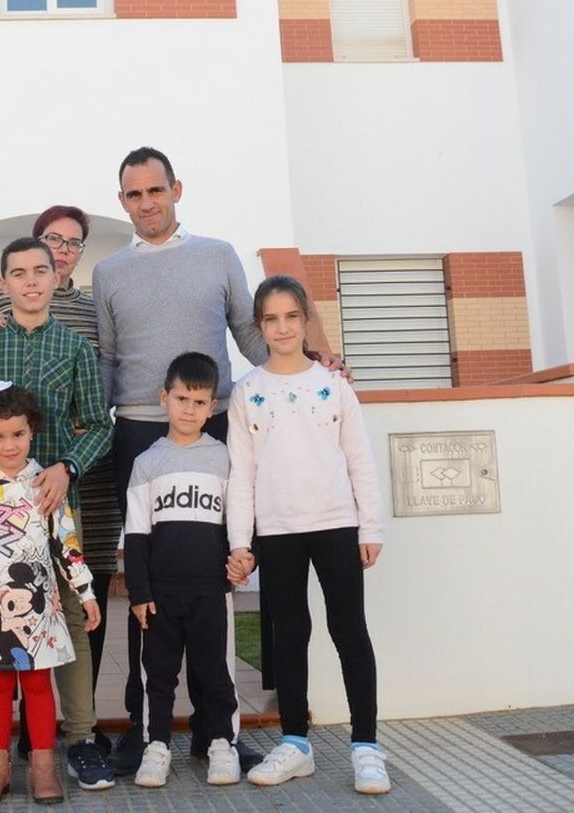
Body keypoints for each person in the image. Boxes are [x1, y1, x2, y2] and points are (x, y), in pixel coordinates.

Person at [92, 146, 342, 772]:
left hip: (218, 435)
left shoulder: (218, 255)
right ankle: (144, 730)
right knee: (143, 579)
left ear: (176, 189)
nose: (146, 203)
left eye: (155, 190)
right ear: (122, 201)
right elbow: (108, 360)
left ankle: (216, 731)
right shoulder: (110, 271)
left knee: (216, 582)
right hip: (137, 438)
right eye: (133, 195)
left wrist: (314, 363)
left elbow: (253, 337)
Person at [0, 237, 115, 791]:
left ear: (57, 277)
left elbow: (100, 424)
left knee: (67, 618)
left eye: (42, 270)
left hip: (53, 505)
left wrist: (67, 466)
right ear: (4, 284)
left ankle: (81, 738)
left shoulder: (74, 347)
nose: (32, 281)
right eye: (19, 273)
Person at [225, 275, 390, 795]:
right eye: (270, 319)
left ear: (305, 320)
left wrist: (370, 524)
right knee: (289, 637)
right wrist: (240, 542)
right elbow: (241, 474)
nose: (282, 328)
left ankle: (367, 747)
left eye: (291, 317)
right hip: (277, 531)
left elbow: (359, 458)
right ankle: (295, 743)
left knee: (349, 631)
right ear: (259, 327)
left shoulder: (335, 384)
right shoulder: (247, 393)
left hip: (336, 523)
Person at [0, 207, 120, 723]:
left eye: (71, 245)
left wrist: (69, 463)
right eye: (51, 241)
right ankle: (1, 734)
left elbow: (99, 409)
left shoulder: (81, 329)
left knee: (77, 608)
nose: (59, 252)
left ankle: (80, 732)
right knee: (1, 611)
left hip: (66, 491)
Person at [0, 383, 103, 805]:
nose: (9, 444)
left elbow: (66, 545)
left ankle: (43, 768)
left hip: (41, 611)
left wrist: (86, 593)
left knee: (38, 687)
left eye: (17, 434)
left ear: (31, 431)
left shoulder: (46, 483)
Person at [123, 352, 242, 788]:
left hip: (212, 590)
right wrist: (139, 592)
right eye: (181, 398)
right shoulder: (147, 462)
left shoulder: (225, 459)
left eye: (199, 401)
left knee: (215, 673)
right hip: (160, 594)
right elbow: (135, 535)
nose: (189, 409)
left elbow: (238, 523)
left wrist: (241, 560)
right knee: (159, 674)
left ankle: (222, 743)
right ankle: (157, 746)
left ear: (212, 407)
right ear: (163, 399)